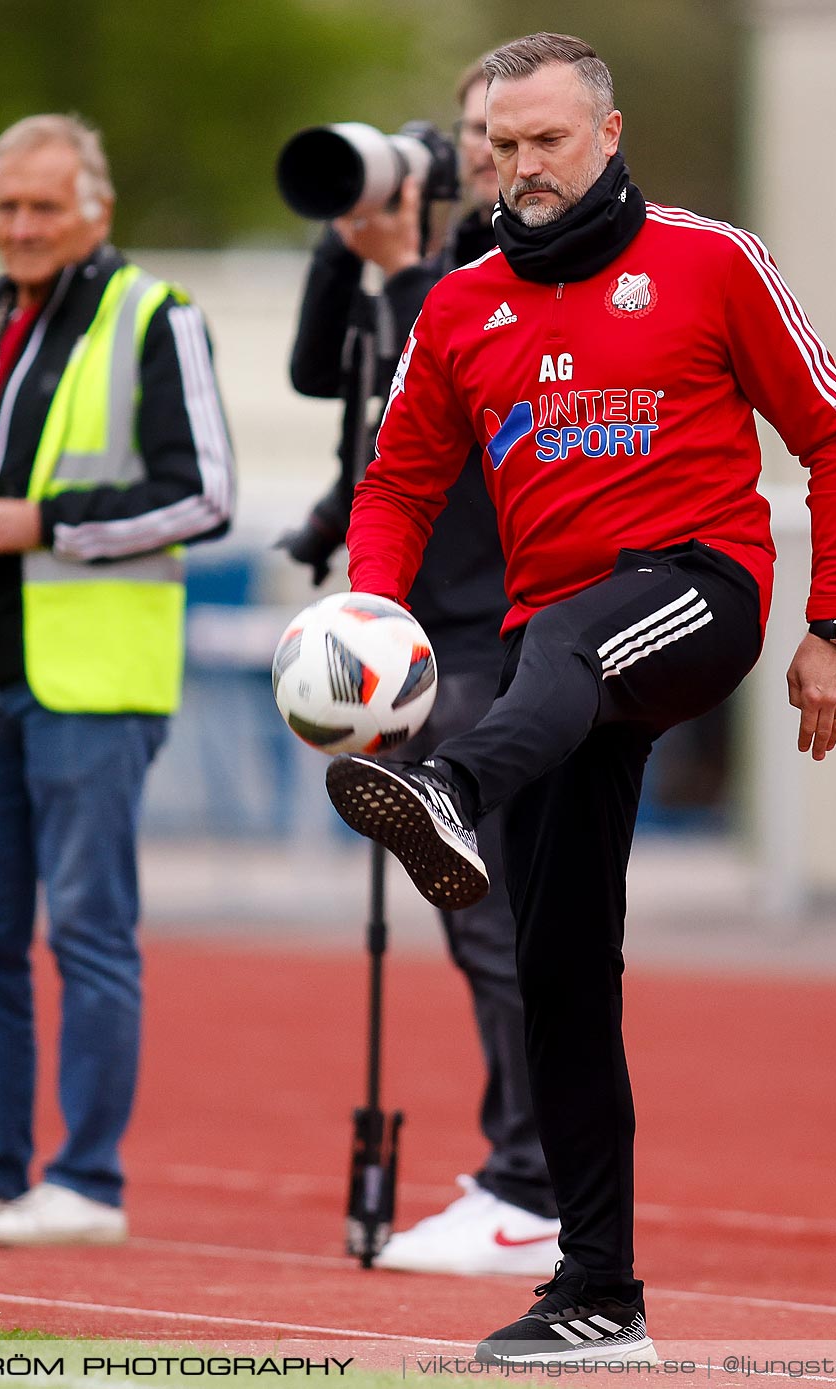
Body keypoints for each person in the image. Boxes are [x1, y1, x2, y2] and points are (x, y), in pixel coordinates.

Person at [325, 34, 836, 1363]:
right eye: (500, 148)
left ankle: (447, 787)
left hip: (695, 593)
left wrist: (834, 627)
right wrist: (373, 609)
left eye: (546, 142)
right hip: (551, 668)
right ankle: (599, 1292)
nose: (520, 168)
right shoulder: (459, 307)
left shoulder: (712, 260)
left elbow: (835, 432)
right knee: (561, 974)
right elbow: (398, 483)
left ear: (610, 133)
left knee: (563, 642)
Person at [0, 114, 234, 1247]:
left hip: (90, 680)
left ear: (96, 210)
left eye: (42, 206)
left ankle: (86, 1184)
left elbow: (205, 495)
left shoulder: (154, 319)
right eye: (5, 209)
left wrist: (44, 523)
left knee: (86, 931)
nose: (21, 227)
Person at [284, 62, 559, 1275]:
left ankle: (534, 1185)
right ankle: (525, 1168)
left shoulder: (504, 287)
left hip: (497, 630)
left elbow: (440, 390)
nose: (476, 159)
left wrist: (400, 270)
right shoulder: (421, 273)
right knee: (467, 915)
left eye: (497, 139)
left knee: (497, 913)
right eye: (461, 139)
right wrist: (348, 244)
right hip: (418, 633)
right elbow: (324, 380)